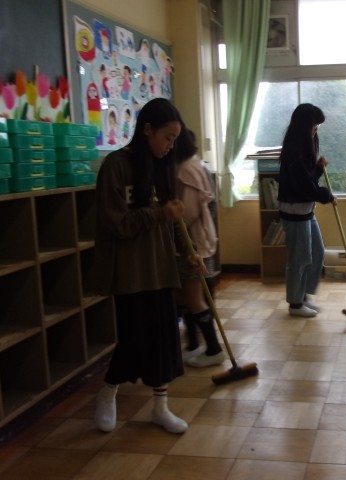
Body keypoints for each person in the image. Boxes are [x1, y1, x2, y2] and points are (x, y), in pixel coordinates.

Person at [93, 98, 200, 435]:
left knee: (164, 341)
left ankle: (160, 408)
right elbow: (116, 223)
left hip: (161, 267)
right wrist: (159, 214)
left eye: (174, 140)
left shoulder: (163, 168)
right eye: (168, 138)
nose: (170, 146)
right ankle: (108, 391)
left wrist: (189, 251)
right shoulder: (116, 166)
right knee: (134, 339)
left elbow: (174, 220)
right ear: (148, 130)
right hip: (130, 271)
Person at [278, 103, 335, 317]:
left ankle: (303, 297)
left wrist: (318, 169)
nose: (315, 130)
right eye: (313, 125)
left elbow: (308, 180)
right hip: (294, 212)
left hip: (304, 210)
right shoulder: (294, 152)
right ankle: (295, 304)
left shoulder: (303, 149)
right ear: (304, 126)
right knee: (299, 259)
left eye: (317, 126)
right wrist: (327, 196)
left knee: (317, 253)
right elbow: (305, 187)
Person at [175, 128, 226, 367]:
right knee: (186, 295)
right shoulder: (197, 165)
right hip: (200, 239)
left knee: (194, 297)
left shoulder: (187, 169)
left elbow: (186, 213)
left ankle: (213, 349)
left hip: (192, 243)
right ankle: (193, 344)